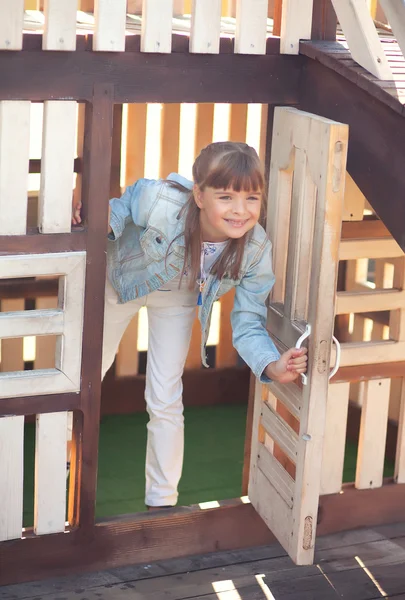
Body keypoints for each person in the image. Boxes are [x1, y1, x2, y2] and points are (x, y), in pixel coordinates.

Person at [72, 141, 307, 510]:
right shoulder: (163, 203)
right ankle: (61, 468)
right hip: (122, 280)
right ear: (198, 195)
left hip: (179, 295)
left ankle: (162, 503)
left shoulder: (256, 249)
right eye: (226, 197)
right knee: (86, 379)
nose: (240, 211)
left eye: (252, 199)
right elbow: (130, 199)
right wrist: (103, 220)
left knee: (165, 395)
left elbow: (247, 320)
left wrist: (270, 365)